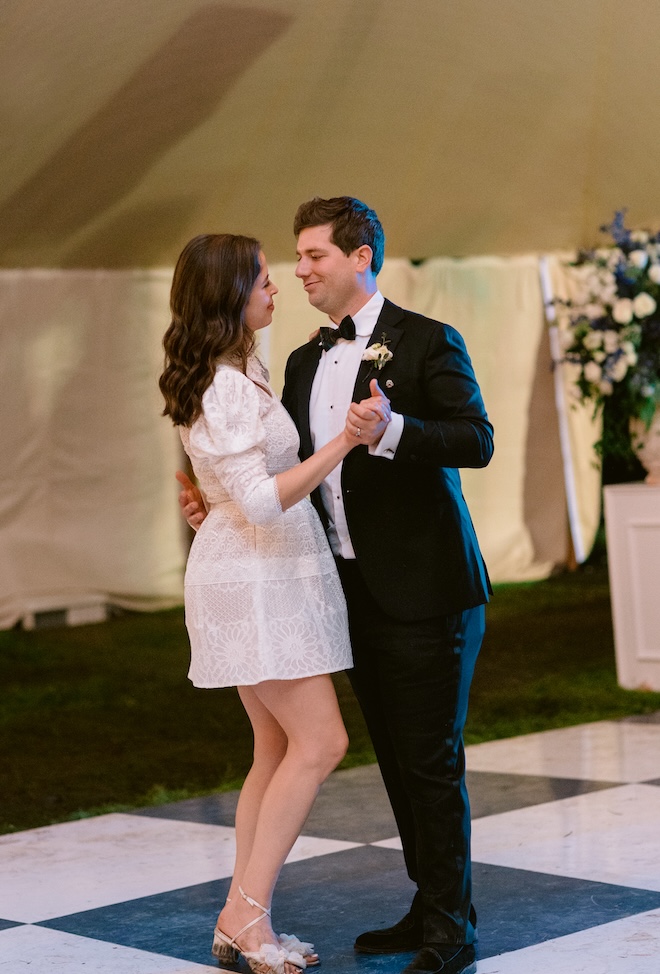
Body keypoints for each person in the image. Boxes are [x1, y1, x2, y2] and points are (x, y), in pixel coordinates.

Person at [178, 198, 494, 974]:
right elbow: (277, 477)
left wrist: (389, 432)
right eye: (292, 258)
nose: (300, 270)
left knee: (430, 760)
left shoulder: (427, 341)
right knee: (392, 756)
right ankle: (425, 905)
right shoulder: (298, 361)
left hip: (424, 588)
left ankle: (451, 926)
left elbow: (475, 439)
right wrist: (215, 501)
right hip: (339, 593)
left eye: (315, 254)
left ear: (361, 257)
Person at [159, 232, 391, 974]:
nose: (276, 286)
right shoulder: (227, 384)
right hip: (257, 580)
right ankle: (247, 915)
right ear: (229, 292)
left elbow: (236, 490)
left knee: (275, 749)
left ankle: (241, 914)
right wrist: (344, 446)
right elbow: (262, 502)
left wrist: (213, 508)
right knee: (321, 744)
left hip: (262, 570)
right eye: (262, 278)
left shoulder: (239, 369)